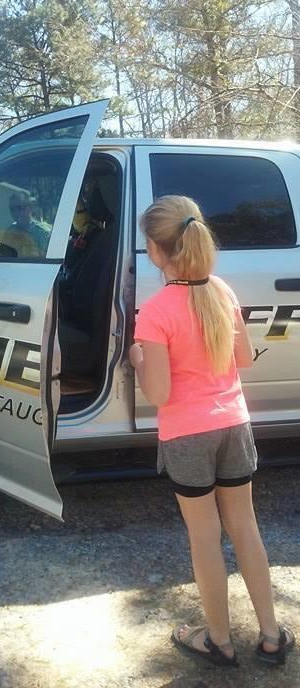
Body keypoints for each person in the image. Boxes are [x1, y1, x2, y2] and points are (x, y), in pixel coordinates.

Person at [130, 194, 295, 668]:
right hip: (234, 424)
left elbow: (159, 393)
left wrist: (139, 359)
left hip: (187, 436)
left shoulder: (156, 312)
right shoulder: (222, 291)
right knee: (245, 527)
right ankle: (270, 635)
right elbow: (242, 359)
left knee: (205, 537)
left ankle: (218, 641)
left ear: (157, 251)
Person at [8, 190, 51, 257]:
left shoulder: (42, 233)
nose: (15, 212)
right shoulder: (10, 231)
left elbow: (47, 260)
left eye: (19, 208)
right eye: (12, 209)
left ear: (30, 207)